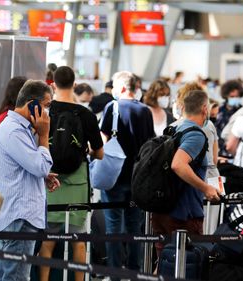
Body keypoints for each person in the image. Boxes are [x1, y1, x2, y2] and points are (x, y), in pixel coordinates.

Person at [0, 80, 59, 281]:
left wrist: (41, 177)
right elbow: (41, 165)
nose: (48, 112)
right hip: (19, 218)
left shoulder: (17, 129)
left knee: (9, 275)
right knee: (16, 277)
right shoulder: (14, 131)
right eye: (46, 105)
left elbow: (26, 168)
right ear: (32, 105)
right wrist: (44, 136)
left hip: (16, 217)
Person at [39, 66, 104, 281]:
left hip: (49, 180)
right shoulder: (85, 114)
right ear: (74, 84)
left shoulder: (45, 112)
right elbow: (99, 153)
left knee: (48, 240)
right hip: (77, 182)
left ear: (53, 84)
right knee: (78, 240)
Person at [152, 89, 221, 260]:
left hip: (162, 209)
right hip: (184, 215)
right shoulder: (196, 135)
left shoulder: (172, 129)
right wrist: (206, 188)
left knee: (164, 265)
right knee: (188, 266)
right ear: (205, 109)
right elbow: (178, 165)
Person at [100, 71, 155, 277]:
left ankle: (114, 272)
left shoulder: (111, 108)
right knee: (135, 227)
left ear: (122, 88)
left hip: (114, 179)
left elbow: (103, 140)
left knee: (113, 226)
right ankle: (134, 271)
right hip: (137, 181)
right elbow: (150, 144)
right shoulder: (145, 111)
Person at [215, 80, 243, 153]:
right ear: (226, 96)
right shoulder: (218, 109)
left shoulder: (242, 111)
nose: (234, 98)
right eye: (232, 96)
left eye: (237, 96)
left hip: (235, 150)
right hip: (219, 150)